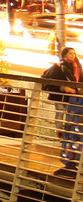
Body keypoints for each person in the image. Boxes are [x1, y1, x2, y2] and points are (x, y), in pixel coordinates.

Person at [44, 46, 83, 179]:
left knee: (72, 119)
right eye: (70, 53)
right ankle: (61, 131)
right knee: (60, 114)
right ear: (65, 55)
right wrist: (63, 87)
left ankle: (69, 134)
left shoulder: (77, 66)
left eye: (74, 53)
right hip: (62, 96)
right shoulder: (59, 66)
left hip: (74, 98)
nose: (73, 55)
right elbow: (49, 80)